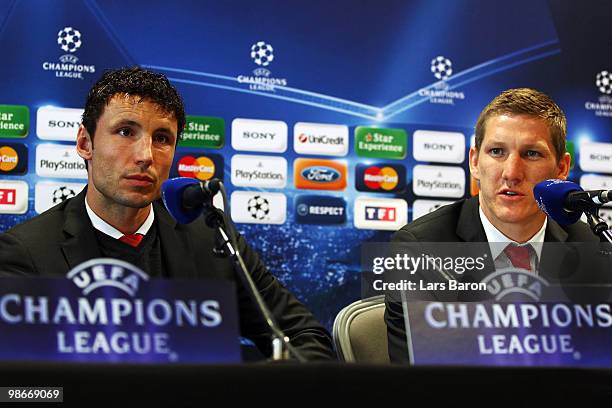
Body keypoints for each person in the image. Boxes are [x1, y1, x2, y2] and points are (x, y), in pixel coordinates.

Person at [0, 67, 335, 361]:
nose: (146, 155)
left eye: (162, 138)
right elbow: (24, 385)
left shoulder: (210, 237)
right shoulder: (27, 253)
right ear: (85, 143)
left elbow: (306, 338)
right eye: (125, 132)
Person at [385, 88, 604, 363]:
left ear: (561, 169)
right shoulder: (421, 250)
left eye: (532, 154)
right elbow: (422, 385)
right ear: (475, 162)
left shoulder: (593, 248)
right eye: (497, 151)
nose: (512, 173)